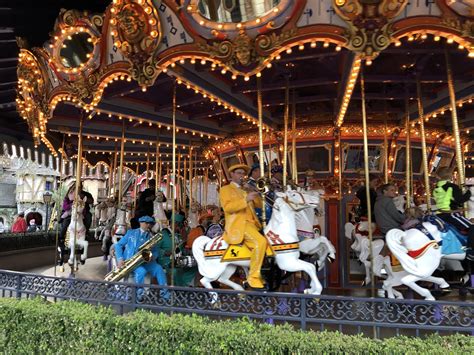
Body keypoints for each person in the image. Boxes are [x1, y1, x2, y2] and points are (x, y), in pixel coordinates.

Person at [220, 163, 268, 290]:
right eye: (239, 173)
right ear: (232, 175)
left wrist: (252, 191)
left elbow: (259, 204)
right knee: (260, 242)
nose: (241, 175)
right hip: (239, 225)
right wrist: (245, 199)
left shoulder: (245, 189)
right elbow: (228, 208)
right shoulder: (226, 189)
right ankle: (253, 278)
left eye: (243, 173)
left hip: (253, 224)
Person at [115, 215, 167, 293]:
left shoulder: (151, 237)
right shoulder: (131, 233)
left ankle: (165, 293)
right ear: (141, 223)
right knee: (141, 272)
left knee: (159, 268)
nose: (148, 225)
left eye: (150, 224)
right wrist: (120, 258)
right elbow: (118, 245)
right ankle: (139, 294)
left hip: (145, 262)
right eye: (146, 223)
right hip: (131, 261)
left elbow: (156, 251)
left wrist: (152, 257)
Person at [433, 167, 473, 260]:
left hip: (440, 214)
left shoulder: (437, 187)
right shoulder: (451, 187)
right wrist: (469, 191)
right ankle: (471, 252)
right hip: (450, 214)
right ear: (450, 175)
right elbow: (460, 200)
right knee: (472, 227)